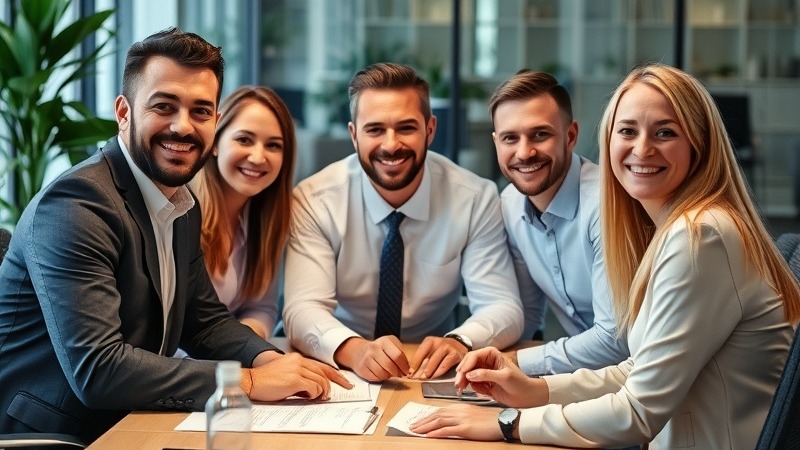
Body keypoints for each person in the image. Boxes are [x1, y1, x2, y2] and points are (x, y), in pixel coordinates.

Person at [410, 63, 800, 449]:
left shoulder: (700, 236)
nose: (642, 148)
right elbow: (637, 369)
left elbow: (637, 411)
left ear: (699, 143)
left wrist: (507, 422)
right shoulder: (681, 228)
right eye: (628, 131)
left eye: (665, 132)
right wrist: (532, 390)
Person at [0, 28, 349, 445]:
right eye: (164, 106)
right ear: (124, 112)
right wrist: (250, 380)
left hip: (129, 421)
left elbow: (204, 323)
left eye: (201, 111)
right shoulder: (78, 204)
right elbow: (99, 369)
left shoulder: (179, 202)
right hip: (56, 435)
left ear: (215, 122)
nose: (183, 127)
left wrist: (274, 359)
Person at [283, 62, 524, 382]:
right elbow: (301, 310)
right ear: (354, 136)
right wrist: (356, 350)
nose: (391, 144)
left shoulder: (475, 198)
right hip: (338, 360)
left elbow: (503, 305)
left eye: (406, 128)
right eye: (375, 129)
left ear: (430, 130)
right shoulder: (315, 199)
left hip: (429, 368)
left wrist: (461, 341)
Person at [489, 70, 628, 375]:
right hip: (581, 381)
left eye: (540, 134)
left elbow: (616, 341)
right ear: (496, 142)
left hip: (637, 384)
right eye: (511, 138)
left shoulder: (605, 204)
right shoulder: (510, 204)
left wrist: (516, 364)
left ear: (570, 136)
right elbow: (527, 317)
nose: (524, 152)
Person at [192, 86, 295, 339]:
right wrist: (236, 345)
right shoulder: (181, 213)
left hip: (233, 367)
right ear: (215, 142)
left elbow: (261, 307)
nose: (258, 157)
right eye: (244, 140)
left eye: (273, 145)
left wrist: (245, 340)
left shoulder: (268, 220)